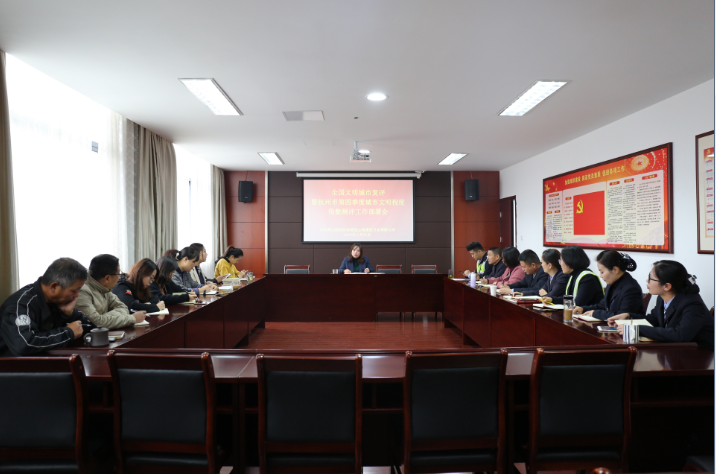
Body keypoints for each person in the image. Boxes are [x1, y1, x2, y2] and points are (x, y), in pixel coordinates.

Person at [608, 261, 714, 351]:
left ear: (667, 286)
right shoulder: (662, 297)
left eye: (650, 278)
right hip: (675, 351)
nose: (647, 281)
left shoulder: (692, 304)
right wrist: (627, 317)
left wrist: (637, 329)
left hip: (701, 356)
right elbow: (652, 320)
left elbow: (680, 335)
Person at [0, 258, 88, 356]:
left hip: (47, 360)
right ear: (54, 287)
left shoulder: (58, 301)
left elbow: (92, 328)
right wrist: (68, 333)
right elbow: (25, 344)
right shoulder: (21, 304)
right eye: (74, 291)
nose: (77, 295)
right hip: (12, 363)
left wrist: (70, 315)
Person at [76, 254, 146, 329]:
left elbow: (123, 307)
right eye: (118, 274)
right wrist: (132, 318)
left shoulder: (104, 288)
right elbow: (97, 323)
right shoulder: (82, 291)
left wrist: (104, 318)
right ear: (107, 278)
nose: (119, 277)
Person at [574, 250, 645, 321]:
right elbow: (602, 305)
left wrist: (595, 313)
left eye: (602, 272)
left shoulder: (631, 288)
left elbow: (621, 316)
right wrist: (583, 309)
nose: (600, 276)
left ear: (615, 270)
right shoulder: (611, 283)